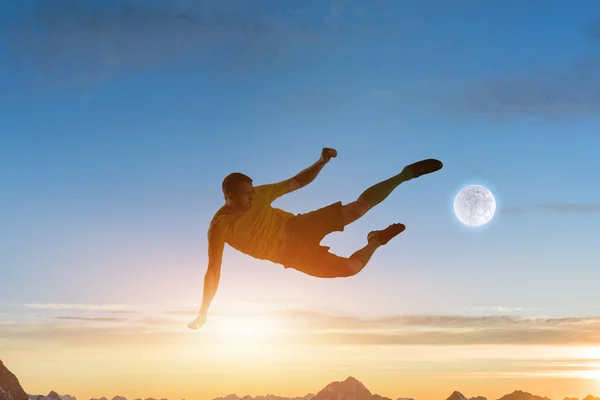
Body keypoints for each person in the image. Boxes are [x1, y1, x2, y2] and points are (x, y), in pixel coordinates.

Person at [187, 148, 443, 329]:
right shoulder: (219, 227)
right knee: (351, 268)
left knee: (358, 209)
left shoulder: (260, 194)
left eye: (253, 192)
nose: (253, 198)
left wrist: (321, 162)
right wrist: (204, 309)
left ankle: (407, 173)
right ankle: (375, 240)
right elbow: (213, 271)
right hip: (292, 256)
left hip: (298, 226)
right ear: (228, 196)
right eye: (246, 195)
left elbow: (297, 181)